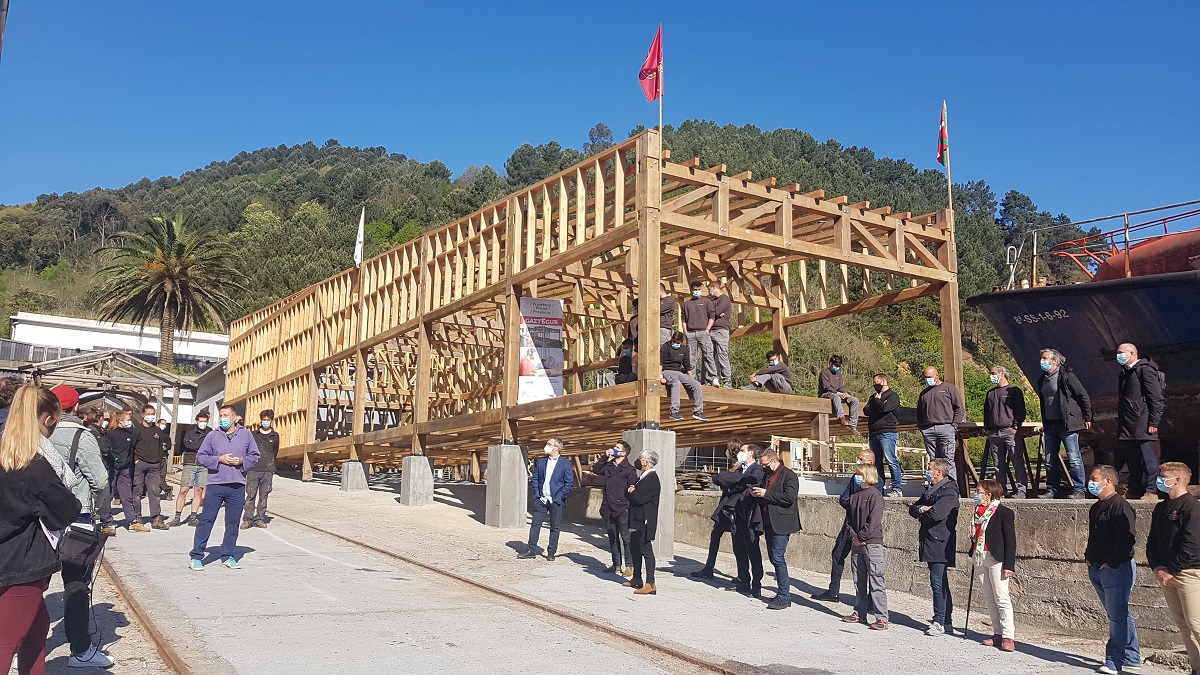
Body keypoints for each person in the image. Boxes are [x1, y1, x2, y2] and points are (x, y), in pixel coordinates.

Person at [0, 385, 84, 674]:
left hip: (8, 554)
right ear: (48, 419)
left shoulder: (6, 452)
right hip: (22, 560)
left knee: (37, 630)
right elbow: (66, 510)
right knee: (6, 641)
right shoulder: (34, 464)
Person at [47, 386, 117, 668]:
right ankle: (80, 650)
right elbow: (99, 480)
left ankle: (20, 647)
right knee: (76, 585)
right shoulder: (82, 436)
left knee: (31, 583)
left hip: (41, 517)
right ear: (76, 408)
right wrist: (99, 509)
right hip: (77, 516)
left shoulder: (35, 434)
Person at [1086, 465, 1142, 675]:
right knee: (1119, 613)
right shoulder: (1096, 507)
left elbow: (1127, 538)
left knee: (1117, 617)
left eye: (1094, 479)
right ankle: (1132, 656)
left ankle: (1115, 660)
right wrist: (1089, 558)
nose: (1090, 483)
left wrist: (1113, 562)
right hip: (1097, 567)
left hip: (1115, 569)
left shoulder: (1120, 506)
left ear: (1108, 481)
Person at [189, 405, 260, 570]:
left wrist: (242, 461)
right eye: (221, 415)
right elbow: (201, 456)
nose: (223, 419)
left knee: (233, 523)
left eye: (226, 415)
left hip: (237, 485)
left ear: (235, 418)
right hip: (216, 485)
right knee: (206, 520)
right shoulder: (212, 436)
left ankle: (228, 556)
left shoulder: (246, 435)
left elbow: (255, 456)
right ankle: (196, 556)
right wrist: (219, 459)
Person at [1148, 462, 1200, 674]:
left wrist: (1172, 569)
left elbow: (1192, 544)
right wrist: (1156, 566)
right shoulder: (1161, 507)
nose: (1159, 480)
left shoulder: (1191, 507)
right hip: (1165, 574)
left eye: (1163, 476)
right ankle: (1196, 667)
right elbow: (1153, 541)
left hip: (1188, 573)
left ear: (1178, 480)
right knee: (1183, 626)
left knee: (1196, 623)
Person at [813, 448, 877, 602]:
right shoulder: (855, 477)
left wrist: (854, 503)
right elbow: (843, 499)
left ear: (870, 462)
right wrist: (855, 504)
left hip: (864, 528)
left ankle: (870, 599)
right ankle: (833, 592)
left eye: (861, 459)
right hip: (849, 525)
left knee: (868, 563)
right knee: (837, 554)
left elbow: (870, 506)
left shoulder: (876, 480)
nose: (858, 461)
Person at [908, 458, 959, 636]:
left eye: (929, 468)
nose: (927, 471)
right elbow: (913, 508)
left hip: (940, 541)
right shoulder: (932, 489)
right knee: (940, 580)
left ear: (939, 472)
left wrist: (923, 512)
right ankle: (946, 620)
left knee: (937, 581)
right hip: (930, 539)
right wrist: (923, 509)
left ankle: (939, 621)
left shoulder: (949, 491)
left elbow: (937, 514)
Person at [1035, 348, 1092, 499]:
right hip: (1050, 424)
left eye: (1045, 358)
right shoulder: (1042, 379)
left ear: (1055, 361)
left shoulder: (1067, 376)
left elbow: (1082, 395)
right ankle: (1052, 489)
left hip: (1067, 423)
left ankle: (1079, 489)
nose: (1042, 361)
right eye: (1041, 358)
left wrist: (1087, 417)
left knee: (1074, 458)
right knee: (1049, 459)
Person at [750, 447, 801, 610]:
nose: (763, 467)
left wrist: (765, 494)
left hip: (782, 523)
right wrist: (757, 493)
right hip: (769, 522)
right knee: (774, 558)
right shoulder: (768, 475)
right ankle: (782, 594)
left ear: (774, 461)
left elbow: (789, 498)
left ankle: (784, 596)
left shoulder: (789, 475)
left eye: (765, 464)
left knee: (778, 557)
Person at [1115, 343, 1166, 501]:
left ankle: (1152, 490)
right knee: (1132, 460)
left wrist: (1153, 422)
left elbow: (1156, 398)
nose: (1118, 356)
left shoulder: (1145, 370)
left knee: (1149, 458)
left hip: (1142, 422)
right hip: (1127, 424)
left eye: (1121, 352)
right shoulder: (1124, 373)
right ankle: (1135, 489)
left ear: (1132, 353)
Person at [840, 464, 888, 630]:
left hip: (872, 543)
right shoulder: (854, 497)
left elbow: (874, 521)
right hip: (856, 544)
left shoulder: (876, 496)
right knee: (858, 579)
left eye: (859, 474)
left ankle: (881, 618)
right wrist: (854, 537)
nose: (857, 477)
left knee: (876, 580)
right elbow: (848, 521)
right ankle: (859, 612)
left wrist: (861, 537)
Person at [971, 478, 1017, 652]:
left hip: (996, 558)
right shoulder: (977, 512)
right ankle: (997, 633)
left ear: (989, 494)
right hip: (980, 557)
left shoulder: (1004, 513)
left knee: (1001, 597)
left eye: (979, 492)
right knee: (990, 598)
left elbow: (1010, 540)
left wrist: (1009, 565)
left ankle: (1008, 636)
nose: (976, 494)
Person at [691, 439, 744, 579]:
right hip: (725, 506)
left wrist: (721, 477)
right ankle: (709, 568)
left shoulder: (742, 468)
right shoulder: (735, 466)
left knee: (737, 542)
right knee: (716, 536)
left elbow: (722, 479)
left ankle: (742, 575)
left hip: (733, 508)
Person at [519, 437, 573, 561]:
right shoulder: (541, 462)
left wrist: (559, 496)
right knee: (535, 525)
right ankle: (531, 550)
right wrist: (538, 494)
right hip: (541, 499)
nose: (546, 446)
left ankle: (551, 552)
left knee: (555, 527)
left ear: (556, 448)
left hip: (556, 500)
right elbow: (535, 479)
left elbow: (569, 483)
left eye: (549, 444)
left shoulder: (565, 464)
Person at [723, 444, 765, 597]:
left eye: (742, 451)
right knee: (739, 550)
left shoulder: (757, 469)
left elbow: (749, 484)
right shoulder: (739, 469)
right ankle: (743, 581)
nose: (739, 453)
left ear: (751, 453)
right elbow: (723, 480)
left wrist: (735, 483)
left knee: (753, 551)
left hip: (750, 516)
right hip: (737, 515)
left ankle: (756, 585)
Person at [592, 440, 638, 575]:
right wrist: (604, 456)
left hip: (622, 507)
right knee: (612, 537)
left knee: (626, 538)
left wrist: (628, 501)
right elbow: (596, 470)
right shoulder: (609, 465)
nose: (614, 449)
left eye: (617, 448)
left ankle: (630, 565)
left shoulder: (629, 469)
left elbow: (632, 485)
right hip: (608, 506)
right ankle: (616, 564)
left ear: (623, 453)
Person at [983, 366, 1029, 498]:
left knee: (1017, 461)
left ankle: (1021, 490)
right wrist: (988, 429)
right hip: (994, 433)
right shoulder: (990, 393)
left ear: (1002, 373)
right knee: (998, 464)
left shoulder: (1014, 391)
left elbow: (1020, 410)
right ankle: (1001, 490)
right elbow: (986, 412)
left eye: (993, 373)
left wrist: (1015, 427)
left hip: (1009, 432)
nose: (991, 376)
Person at [917, 366, 965, 481]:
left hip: (946, 428)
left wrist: (954, 425)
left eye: (929, 377)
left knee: (948, 460)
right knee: (934, 461)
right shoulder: (924, 393)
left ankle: (951, 486)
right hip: (928, 430)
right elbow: (919, 413)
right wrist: (922, 428)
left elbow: (959, 408)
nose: (927, 379)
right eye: (925, 377)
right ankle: (936, 485)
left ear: (937, 375)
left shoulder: (949, 388)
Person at [625, 449, 662, 595]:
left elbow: (637, 497)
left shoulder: (651, 478)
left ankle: (650, 582)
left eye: (640, 459)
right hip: (636, 519)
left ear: (646, 462)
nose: (638, 461)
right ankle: (637, 577)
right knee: (634, 547)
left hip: (645, 520)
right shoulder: (643, 477)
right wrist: (632, 490)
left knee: (646, 549)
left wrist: (631, 491)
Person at [131, 403, 168, 531]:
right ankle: (137, 517)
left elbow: (161, 446)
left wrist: (159, 460)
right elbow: (132, 446)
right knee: (137, 491)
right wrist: (135, 459)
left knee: (154, 491)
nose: (151, 416)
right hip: (140, 464)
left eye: (153, 414)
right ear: (143, 415)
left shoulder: (157, 431)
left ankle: (156, 518)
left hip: (154, 465)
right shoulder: (137, 430)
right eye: (148, 414)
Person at [81, 405, 117, 536]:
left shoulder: (97, 431)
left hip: (99, 466)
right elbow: (104, 449)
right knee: (103, 494)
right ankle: (106, 522)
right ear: (99, 418)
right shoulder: (93, 432)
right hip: (98, 466)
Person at [170, 411, 210, 527]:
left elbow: (211, 447)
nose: (203, 423)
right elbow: (187, 445)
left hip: (203, 464)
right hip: (190, 463)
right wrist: (202, 447)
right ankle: (177, 517)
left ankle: (193, 517)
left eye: (205, 421)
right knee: (184, 490)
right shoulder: (190, 431)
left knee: (198, 491)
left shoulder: (210, 432)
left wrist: (199, 447)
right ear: (197, 421)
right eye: (201, 421)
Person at [866, 374, 903, 497]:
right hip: (873, 432)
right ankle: (878, 488)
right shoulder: (873, 396)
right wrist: (877, 404)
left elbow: (884, 408)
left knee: (891, 460)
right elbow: (866, 410)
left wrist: (877, 402)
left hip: (887, 432)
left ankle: (897, 488)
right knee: (877, 462)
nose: (874, 385)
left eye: (876, 382)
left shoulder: (893, 396)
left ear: (883, 382)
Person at [659, 331, 708, 422]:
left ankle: (698, 412)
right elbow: (660, 363)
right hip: (668, 371)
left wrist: (691, 377)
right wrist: (660, 376)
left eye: (678, 343)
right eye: (674, 342)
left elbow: (686, 364)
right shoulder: (665, 347)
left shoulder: (684, 349)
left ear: (681, 342)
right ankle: (674, 411)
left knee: (697, 385)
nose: (675, 344)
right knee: (676, 382)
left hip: (678, 372)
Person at [243, 409, 279, 529]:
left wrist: (270, 463)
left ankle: (259, 518)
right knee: (250, 495)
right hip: (253, 469)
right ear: (261, 420)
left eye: (268, 420)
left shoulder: (275, 436)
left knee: (264, 496)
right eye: (264, 420)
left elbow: (275, 451)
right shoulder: (253, 435)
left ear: (271, 421)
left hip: (267, 470)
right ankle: (247, 519)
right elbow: (247, 449)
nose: (266, 422)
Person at [106, 409, 138, 531]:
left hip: (125, 468)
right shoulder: (110, 434)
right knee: (108, 495)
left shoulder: (129, 434)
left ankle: (132, 520)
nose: (130, 422)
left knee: (127, 495)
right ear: (120, 421)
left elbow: (131, 450)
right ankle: (107, 522)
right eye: (128, 420)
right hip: (113, 467)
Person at [681, 280, 716, 384]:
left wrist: (707, 329)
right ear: (691, 290)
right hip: (691, 334)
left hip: (703, 332)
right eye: (695, 290)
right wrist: (686, 332)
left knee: (708, 355)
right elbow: (683, 319)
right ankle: (692, 379)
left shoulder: (706, 302)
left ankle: (712, 378)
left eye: (699, 289)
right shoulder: (686, 304)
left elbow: (712, 316)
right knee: (691, 357)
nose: (697, 291)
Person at [818, 355, 860, 431]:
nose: (837, 368)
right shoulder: (824, 372)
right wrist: (839, 393)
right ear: (831, 363)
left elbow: (841, 387)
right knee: (836, 397)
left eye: (839, 366)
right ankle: (841, 418)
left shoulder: (839, 374)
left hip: (838, 394)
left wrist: (845, 394)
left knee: (855, 400)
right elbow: (827, 387)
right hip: (826, 394)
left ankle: (853, 424)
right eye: (836, 366)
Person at [706, 280, 733, 387]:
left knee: (722, 354)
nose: (709, 292)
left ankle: (727, 380)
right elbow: (711, 313)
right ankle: (712, 379)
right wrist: (714, 313)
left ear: (714, 288)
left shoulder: (724, 298)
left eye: (709, 289)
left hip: (721, 330)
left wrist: (713, 313)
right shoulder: (712, 301)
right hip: (711, 330)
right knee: (710, 355)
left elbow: (715, 312)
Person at [155, 418, 174, 501]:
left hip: (163, 458)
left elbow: (168, 446)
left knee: (161, 477)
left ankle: (168, 489)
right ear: (158, 424)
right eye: (162, 423)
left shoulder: (166, 436)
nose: (164, 425)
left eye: (165, 424)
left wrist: (162, 447)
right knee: (153, 477)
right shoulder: (153, 434)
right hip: (153, 458)